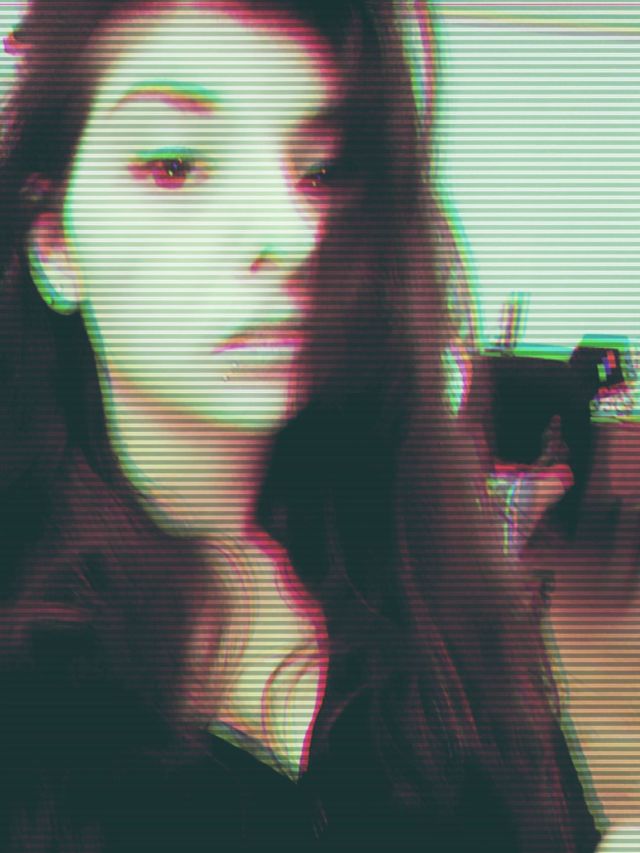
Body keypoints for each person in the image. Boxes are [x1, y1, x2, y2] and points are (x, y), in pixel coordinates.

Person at [0, 1, 602, 850]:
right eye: (175, 165)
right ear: (54, 243)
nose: (290, 233)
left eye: (325, 171)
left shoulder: (424, 567)